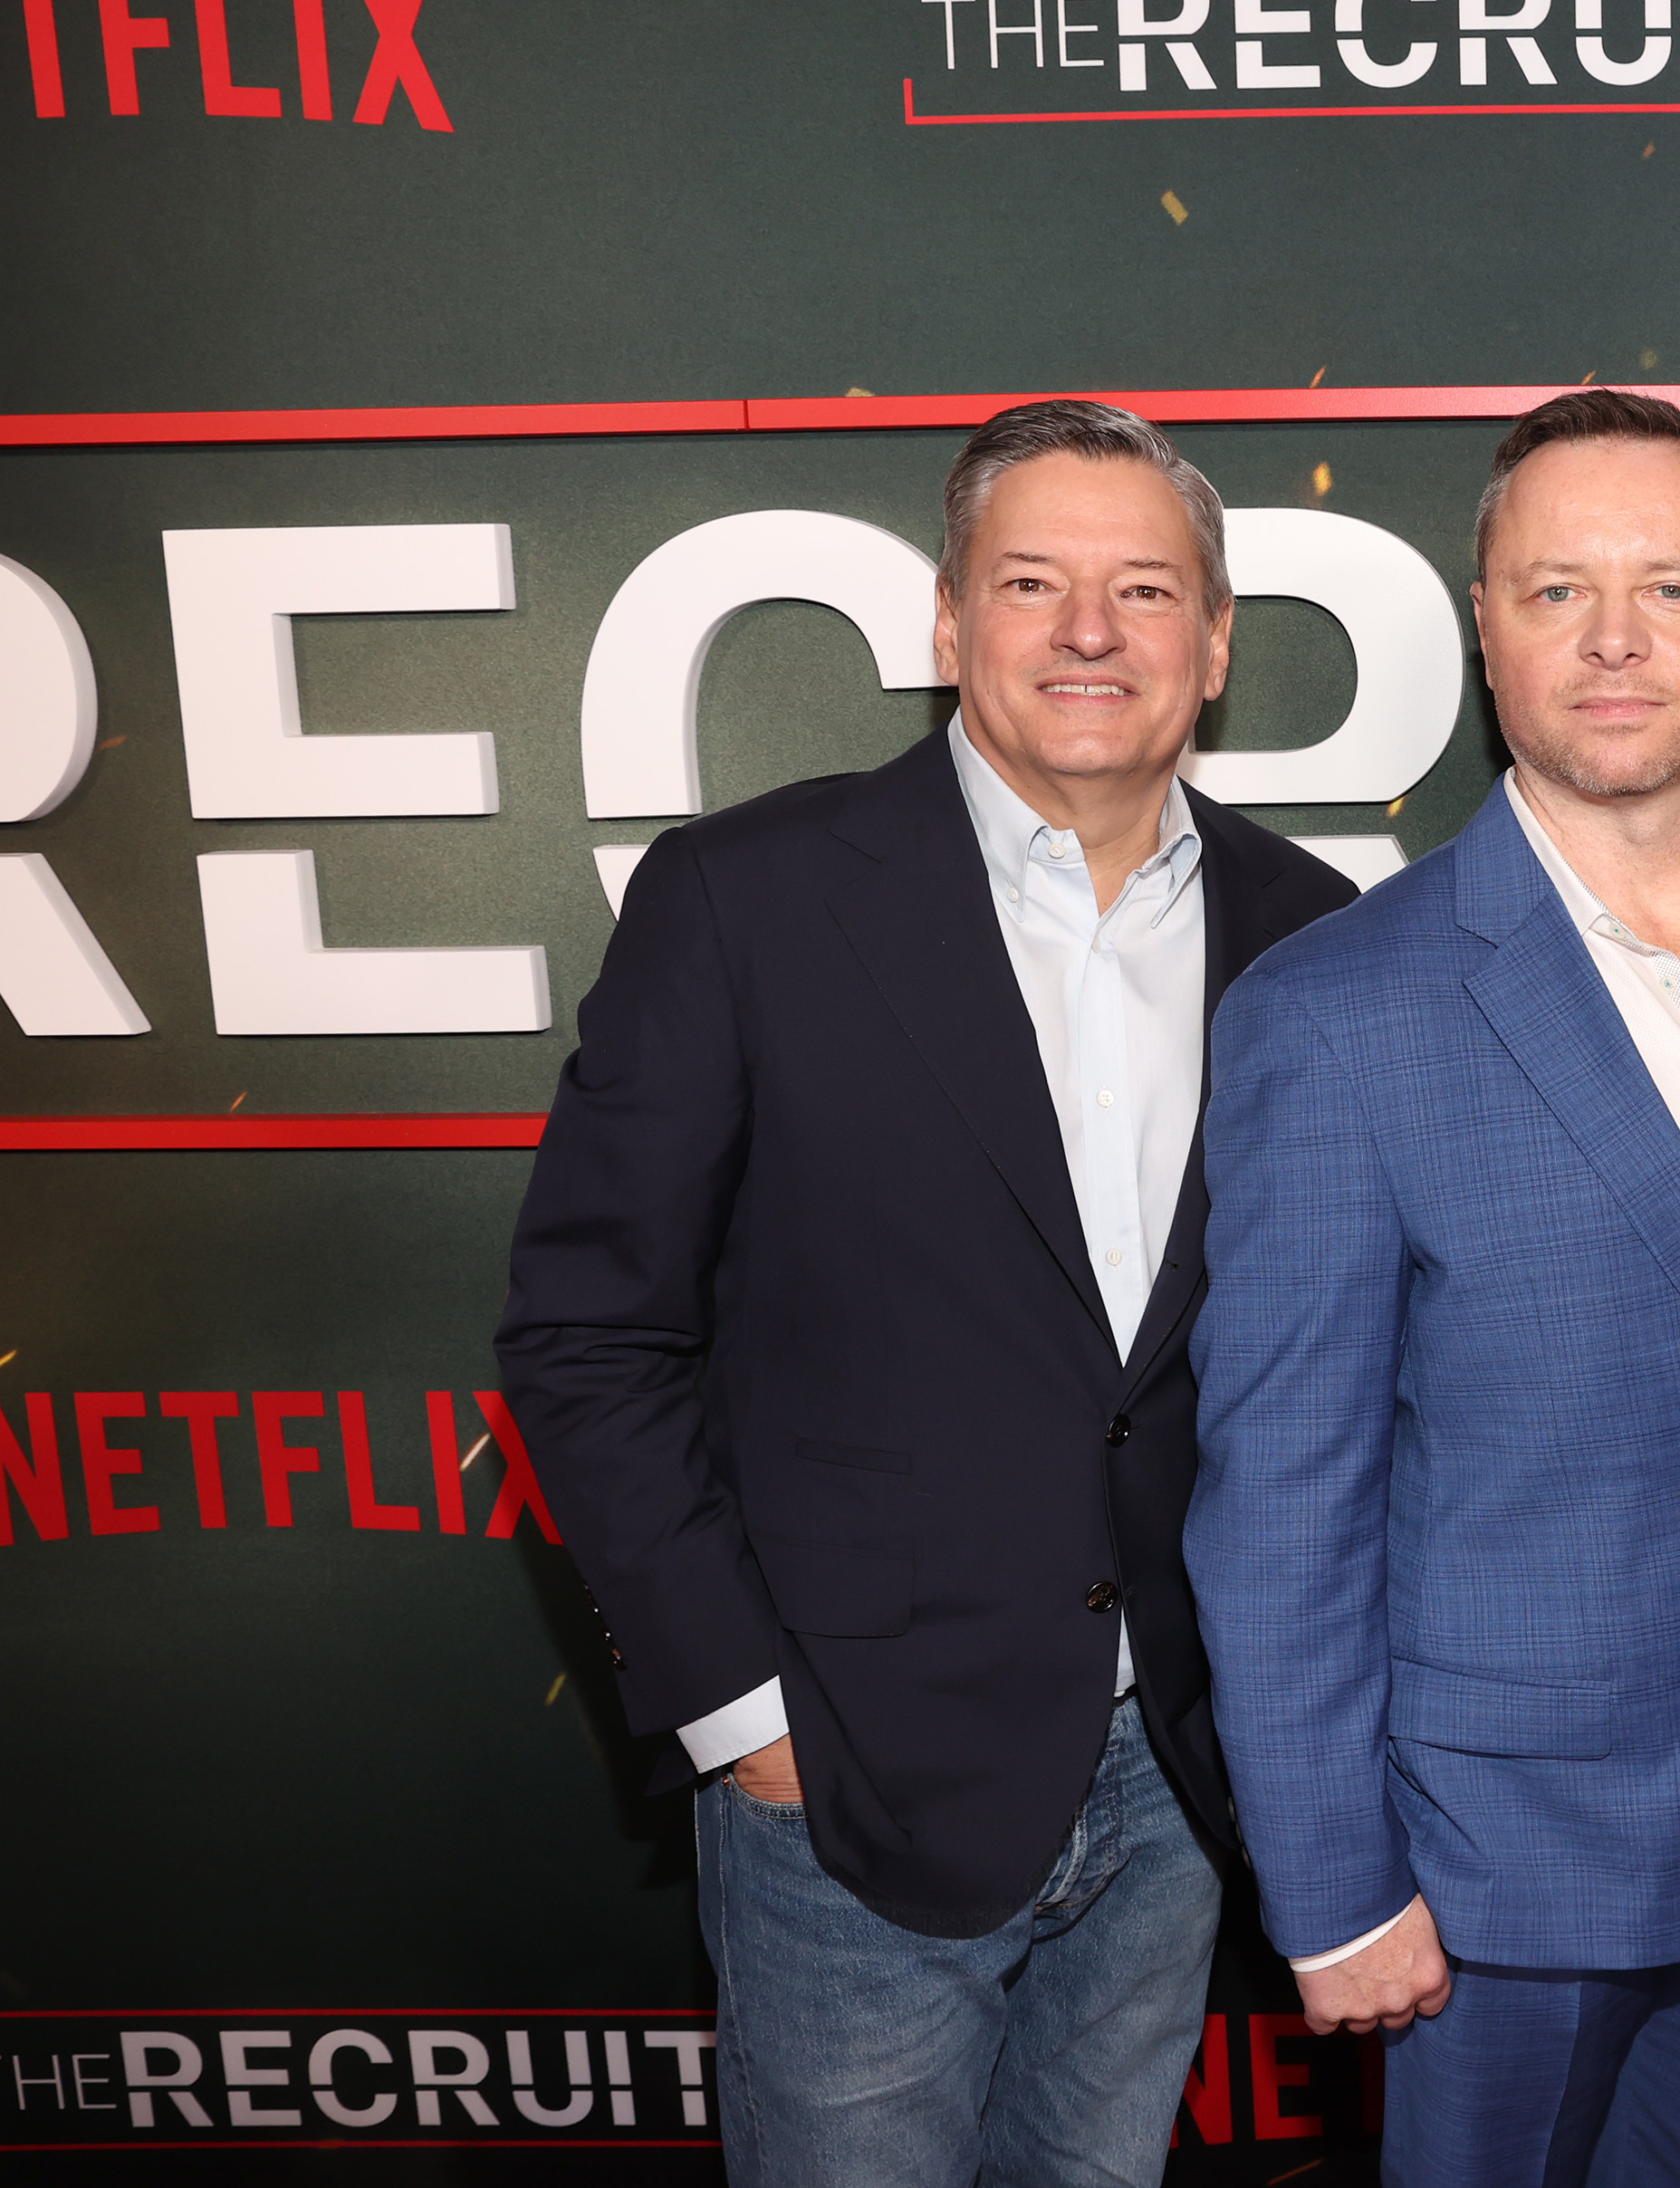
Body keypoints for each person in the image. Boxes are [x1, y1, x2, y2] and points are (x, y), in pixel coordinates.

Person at [495, 399, 1352, 2185]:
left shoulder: (1312, 929)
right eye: (1031, 581)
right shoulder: (747, 896)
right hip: (849, 1778)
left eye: (1145, 588)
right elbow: (588, 1335)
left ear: (1213, 645)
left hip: (1180, 1776)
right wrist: (748, 1722)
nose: (1090, 628)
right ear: (950, 623)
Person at [1186, 388, 1680, 2187]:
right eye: (1557, 590)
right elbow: (1281, 1497)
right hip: (1490, 1887)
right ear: (1487, 630)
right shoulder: (1335, 1011)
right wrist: (1335, 1883)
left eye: (1670, 588)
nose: (1615, 638)